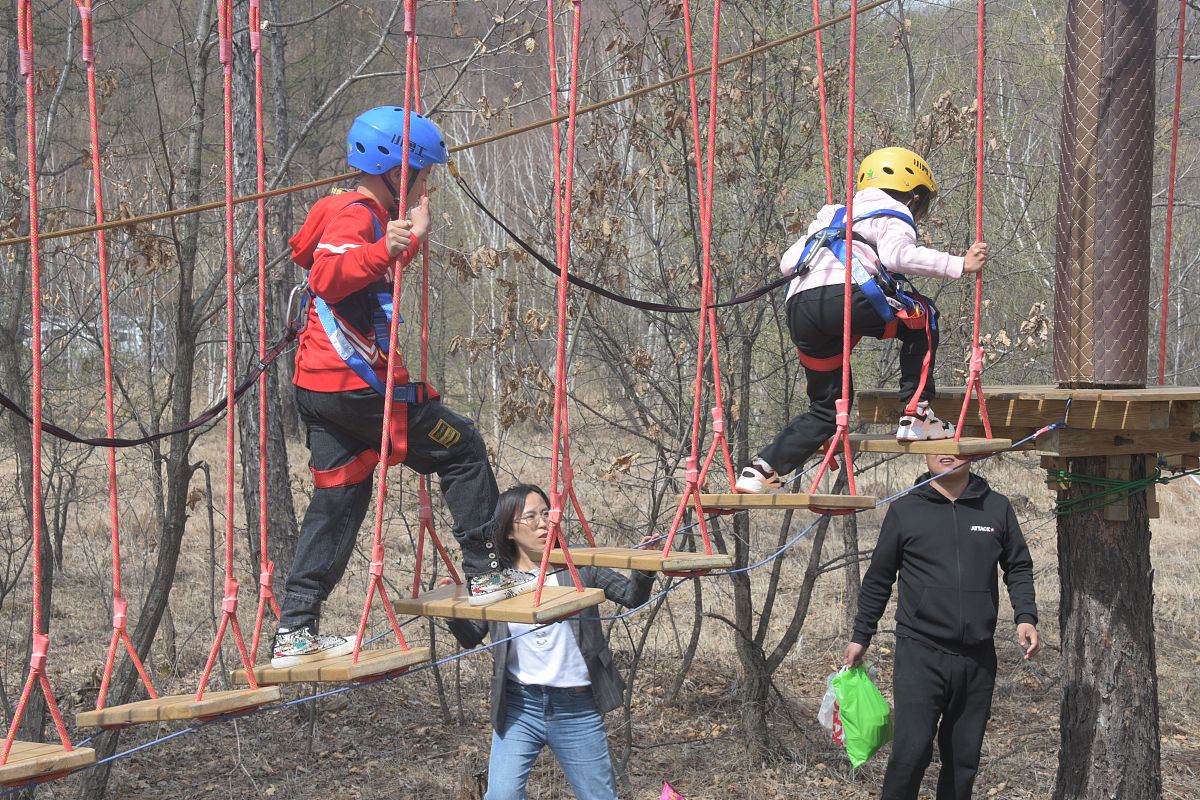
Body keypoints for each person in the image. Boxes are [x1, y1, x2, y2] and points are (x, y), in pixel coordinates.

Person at [272, 107, 536, 669]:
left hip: (321, 389)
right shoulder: (357, 214)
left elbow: (342, 266)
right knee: (460, 446)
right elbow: (329, 275)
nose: (426, 185)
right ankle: (486, 573)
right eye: (423, 173)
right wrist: (385, 248)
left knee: (341, 495)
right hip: (354, 386)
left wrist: (406, 240)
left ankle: (296, 628)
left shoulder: (346, 212)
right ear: (398, 170)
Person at [737, 147, 990, 493]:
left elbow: (787, 263)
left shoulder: (833, 215)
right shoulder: (895, 212)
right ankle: (916, 413)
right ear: (914, 196)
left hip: (802, 309)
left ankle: (762, 470)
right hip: (847, 298)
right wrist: (959, 264)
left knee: (828, 407)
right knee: (924, 317)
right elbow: (897, 255)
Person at [843, 453, 1040, 800]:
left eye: (957, 442)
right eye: (938, 442)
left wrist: (1026, 616)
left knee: (963, 762)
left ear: (974, 451)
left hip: (977, 658)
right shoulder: (907, 510)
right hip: (920, 653)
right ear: (924, 452)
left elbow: (1018, 566)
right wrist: (862, 635)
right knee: (910, 753)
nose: (948, 450)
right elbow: (879, 578)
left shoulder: (996, 508)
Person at [447, 485, 655, 800]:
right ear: (508, 531)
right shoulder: (496, 582)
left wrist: (645, 567)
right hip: (519, 706)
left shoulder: (579, 568)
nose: (543, 523)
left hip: (578, 707)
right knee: (501, 796)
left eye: (547, 514)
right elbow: (470, 636)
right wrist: (451, 610)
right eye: (530, 517)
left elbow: (632, 596)